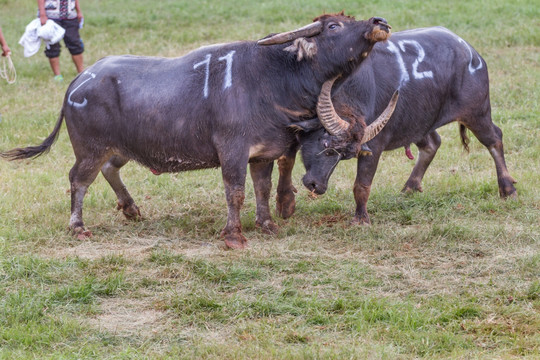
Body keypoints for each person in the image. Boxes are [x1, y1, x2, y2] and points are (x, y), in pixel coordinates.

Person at [37, 0, 84, 82]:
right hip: (51, 17)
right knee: (52, 45)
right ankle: (57, 75)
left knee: (75, 43)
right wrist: (42, 14)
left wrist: (78, 11)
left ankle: (81, 73)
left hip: (70, 16)